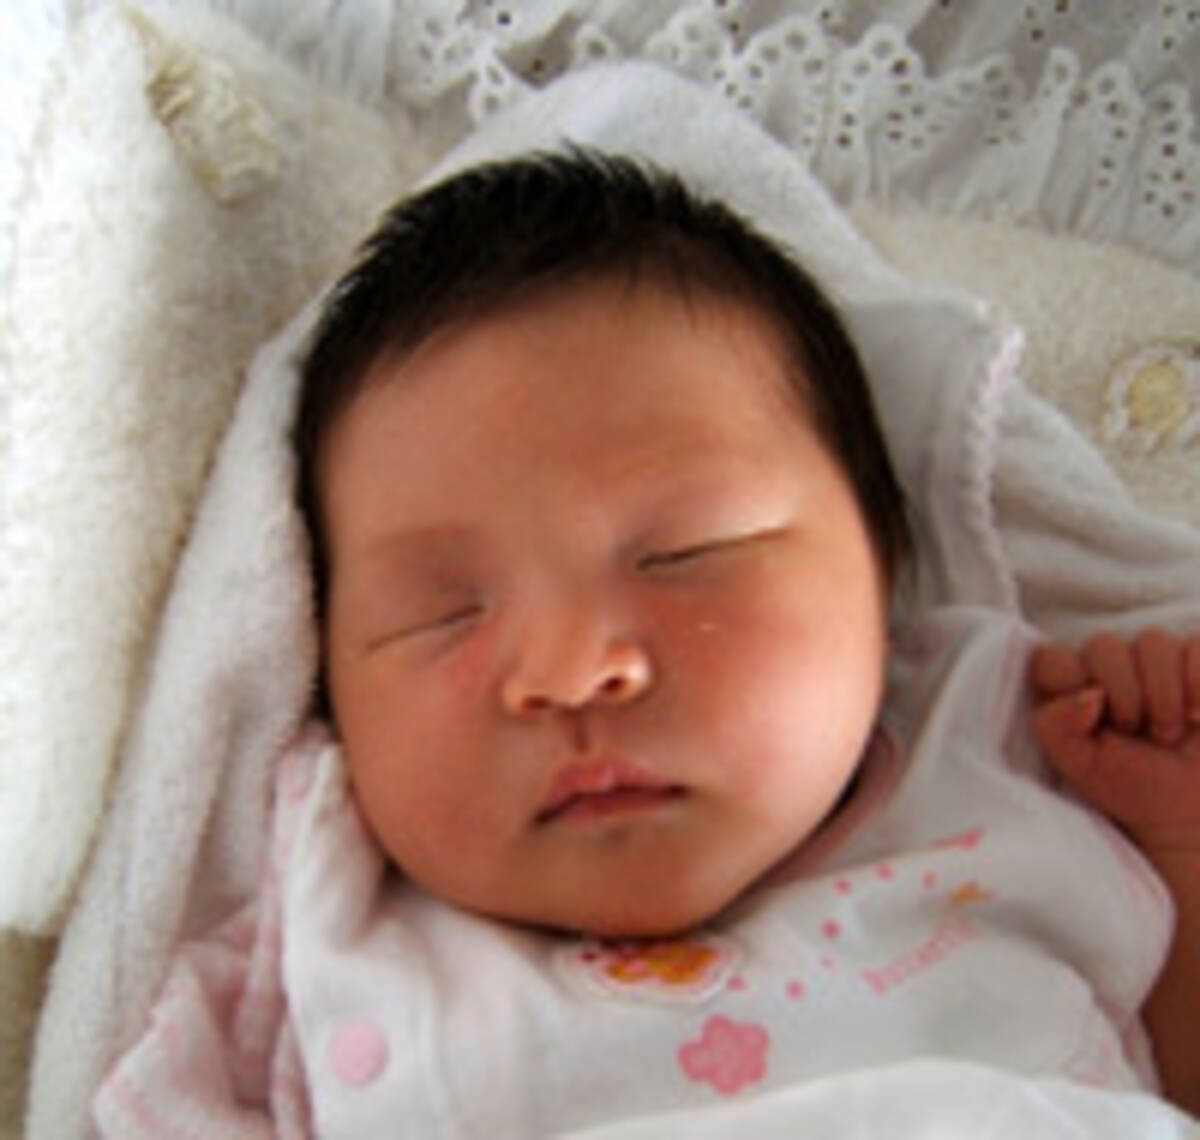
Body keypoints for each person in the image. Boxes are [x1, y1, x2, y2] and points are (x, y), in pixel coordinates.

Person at [93, 149, 1200, 1136]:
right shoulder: (318, 951)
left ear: (886, 563)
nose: (573, 673)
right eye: (444, 612)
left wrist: (1178, 840)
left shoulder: (1011, 764)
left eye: (684, 555)